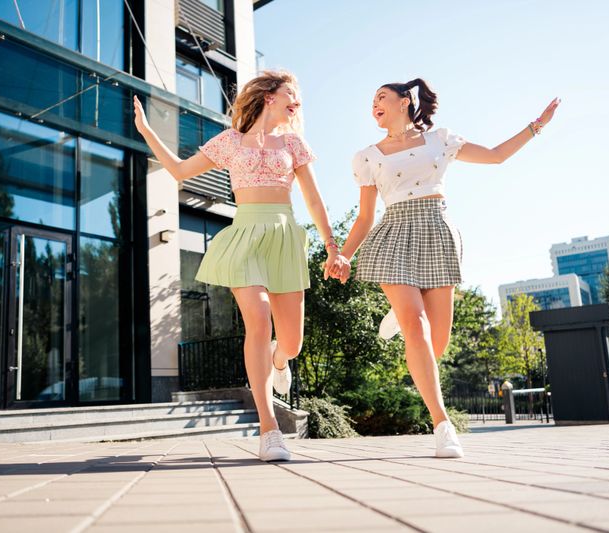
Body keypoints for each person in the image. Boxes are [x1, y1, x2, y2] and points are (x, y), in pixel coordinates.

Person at [330, 78, 559, 458]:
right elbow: (365, 216)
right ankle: (442, 423)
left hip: (437, 229)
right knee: (416, 329)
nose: (375, 105)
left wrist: (537, 125)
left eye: (382, 97)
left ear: (406, 101)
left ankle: (402, 315)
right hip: (395, 233)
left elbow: (497, 155)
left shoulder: (441, 139)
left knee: (437, 343)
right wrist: (345, 255)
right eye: (372, 101)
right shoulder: (368, 156)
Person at [133, 70, 344, 462]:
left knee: (292, 342)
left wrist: (332, 246)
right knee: (258, 321)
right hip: (245, 236)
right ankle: (269, 429)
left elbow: (314, 200)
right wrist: (147, 132)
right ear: (269, 96)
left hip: (283, 236)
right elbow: (180, 171)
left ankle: (280, 359)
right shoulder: (230, 141)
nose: (296, 99)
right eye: (290, 92)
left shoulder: (294, 142)